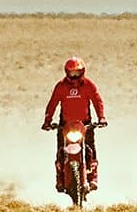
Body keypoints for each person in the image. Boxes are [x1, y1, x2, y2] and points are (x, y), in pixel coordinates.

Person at [42, 57, 108, 189]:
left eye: (77, 73)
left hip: (85, 125)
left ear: (82, 72)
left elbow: (97, 101)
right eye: (72, 73)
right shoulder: (61, 86)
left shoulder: (88, 85)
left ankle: (93, 178)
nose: (74, 76)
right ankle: (60, 179)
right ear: (66, 72)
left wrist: (101, 118)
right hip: (65, 125)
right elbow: (52, 103)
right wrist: (47, 121)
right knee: (61, 151)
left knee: (90, 149)